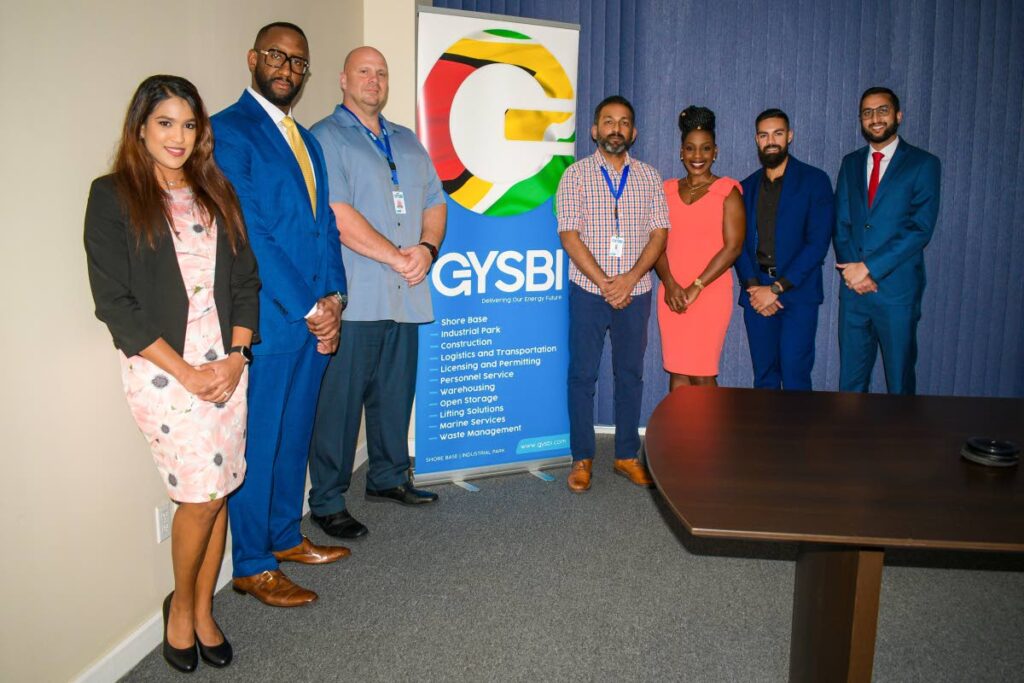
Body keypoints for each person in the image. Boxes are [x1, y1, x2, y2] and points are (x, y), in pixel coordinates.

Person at [85, 75, 259, 671]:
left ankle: (203, 609)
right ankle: (181, 608)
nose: (178, 136)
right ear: (140, 128)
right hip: (165, 372)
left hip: (229, 369)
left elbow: (244, 282)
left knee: (219, 491)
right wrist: (188, 374)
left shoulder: (217, 192)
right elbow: (114, 304)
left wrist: (238, 359)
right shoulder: (112, 196)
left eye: (189, 124)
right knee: (199, 496)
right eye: (165, 123)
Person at [211, 21, 350, 608]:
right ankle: (252, 563)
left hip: (315, 319)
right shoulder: (226, 131)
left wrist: (337, 298)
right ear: (253, 58)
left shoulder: (307, 140)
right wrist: (309, 306)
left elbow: (325, 228)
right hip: (268, 321)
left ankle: (284, 537)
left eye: (298, 62)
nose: (288, 69)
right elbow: (251, 233)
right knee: (259, 442)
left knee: (294, 437)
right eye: (277, 56)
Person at [307, 46, 445, 539]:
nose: (373, 80)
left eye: (381, 73)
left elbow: (435, 200)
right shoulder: (324, 138)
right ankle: (326, 499)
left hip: (405, 294)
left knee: (394, 395)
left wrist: (426, 249)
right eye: (364, 71)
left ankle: (387, 477)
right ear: (343, 79)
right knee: (338, 404)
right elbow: (338, 214)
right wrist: (397, 256)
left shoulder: (407, 141)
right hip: (356, 295)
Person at [556, 95, 670, 493]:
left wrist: (629, 278)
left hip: (636, 292)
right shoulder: (575, 175)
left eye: (623, 122)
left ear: (633, 132)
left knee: (630, 375)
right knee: (582, 376)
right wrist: (607, 282)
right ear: (595, 130)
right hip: (588, 290)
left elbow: (659, 234)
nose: (615, 129)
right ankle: (582, 457)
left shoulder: (650, 177)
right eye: (608, 121)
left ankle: (625, 455)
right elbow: (569, 235)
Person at [834, 87, 941, 395]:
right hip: (854, 292)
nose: (875, 118)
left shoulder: (924, 163)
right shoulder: (850, 163)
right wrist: (852, 273)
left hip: (896, 292)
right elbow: (841, 223)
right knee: (850, 385)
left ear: (898, 115)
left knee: (899, 382)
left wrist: (869, 269)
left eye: (882, 110)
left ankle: (904, 443)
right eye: (867, 112)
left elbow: (920, 228)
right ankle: (851, 442)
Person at [735, 109, 834, 390]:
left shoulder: (815, 181)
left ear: (789, 136)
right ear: (757, 140)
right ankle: (766, 436)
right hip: (757, 294)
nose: (772, 141)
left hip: (798, 293)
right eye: (764, 135)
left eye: (778, 133)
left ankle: (797, 435)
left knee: (795, 375)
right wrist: (755, 288)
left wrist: (776, 289)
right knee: (764, 376)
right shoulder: (745, 187)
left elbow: (817, 245)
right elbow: (737, 243)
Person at [655, 106, 744, 389]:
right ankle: (679, 434)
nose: (697, 156)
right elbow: (655, 243)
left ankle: (710, 435)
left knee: (703, 373)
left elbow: (733, 248)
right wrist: (670, 284)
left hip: (710, 293)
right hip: (671, 291)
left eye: (705, 149)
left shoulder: (727, 191)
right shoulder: (665, 189)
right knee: (678, 371)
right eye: (690, 149)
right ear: (681, 151)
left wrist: (696, 285)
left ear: (715, 152)